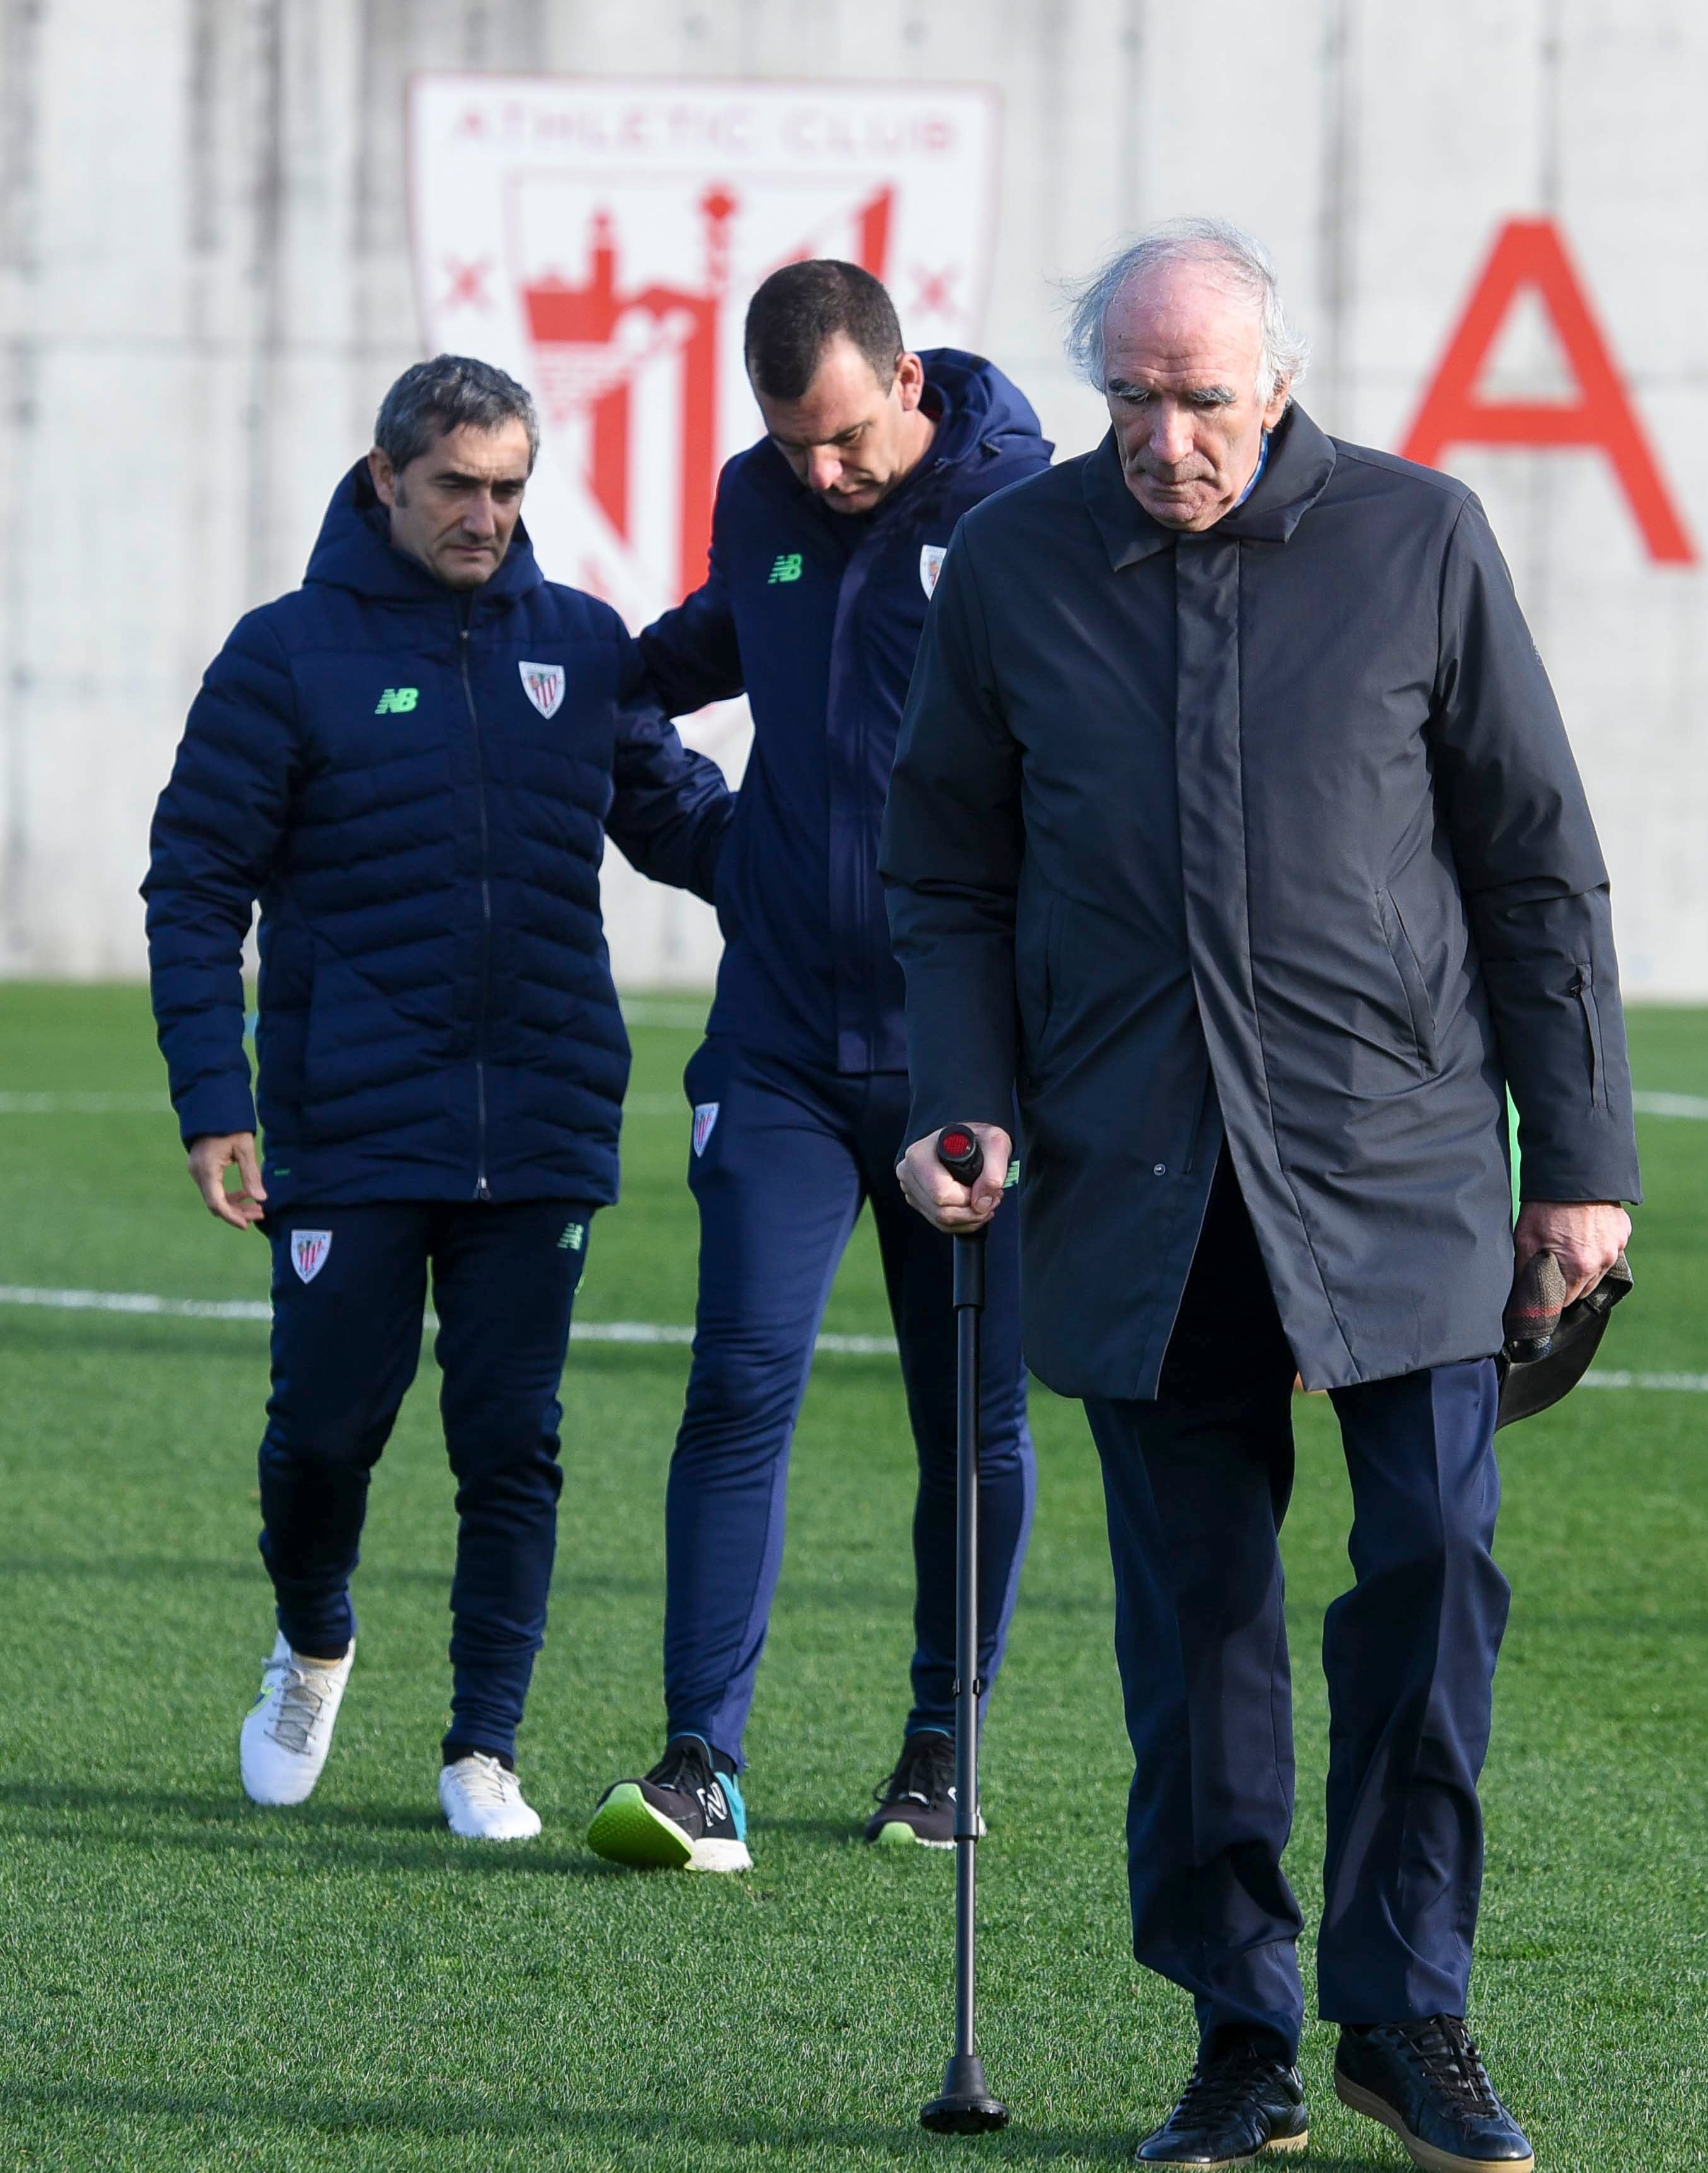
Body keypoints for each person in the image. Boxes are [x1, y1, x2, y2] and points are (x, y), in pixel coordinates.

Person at [883, 220, 1639, 2172]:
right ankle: (1239, 2033)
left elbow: (1536, 871)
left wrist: (1581, 1168)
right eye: (1126, 397)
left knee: (1437, 1568)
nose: (1162, 437)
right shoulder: (1014, 569)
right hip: (1137, 1173)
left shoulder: (1420, 539)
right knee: (1193, 1625)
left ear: (1275, 385)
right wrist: (960, 1096)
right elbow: (947, 872)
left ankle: (1407, 2010)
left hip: (1394, 1166)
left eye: (1198, 398)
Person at [144, 356, 732, 1841]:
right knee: (326, 1430)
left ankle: (483, 1748)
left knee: (511, 1436)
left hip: (540, 1114)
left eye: (511, 488)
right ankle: (315, 1638)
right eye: (459, 485)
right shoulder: (285, 654)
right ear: (386, 476)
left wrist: (852, 863)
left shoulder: (581, 644)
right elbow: (195, 884)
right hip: (351, 1115)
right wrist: (215, 1094)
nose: (487, 514)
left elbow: (683, 826)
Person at [582, 262, 1049, 1874]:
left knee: (967, 1420)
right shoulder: (761, 499)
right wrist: (719, 849)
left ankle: (945, 1742)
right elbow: (692, 659)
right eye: (793, 446)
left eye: (845, 439)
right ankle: (700, 1761)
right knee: (736, 1382)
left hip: (959, 1059)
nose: (822, 472)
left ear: (908, 380)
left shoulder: (1027, 524)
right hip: (777, 1041)